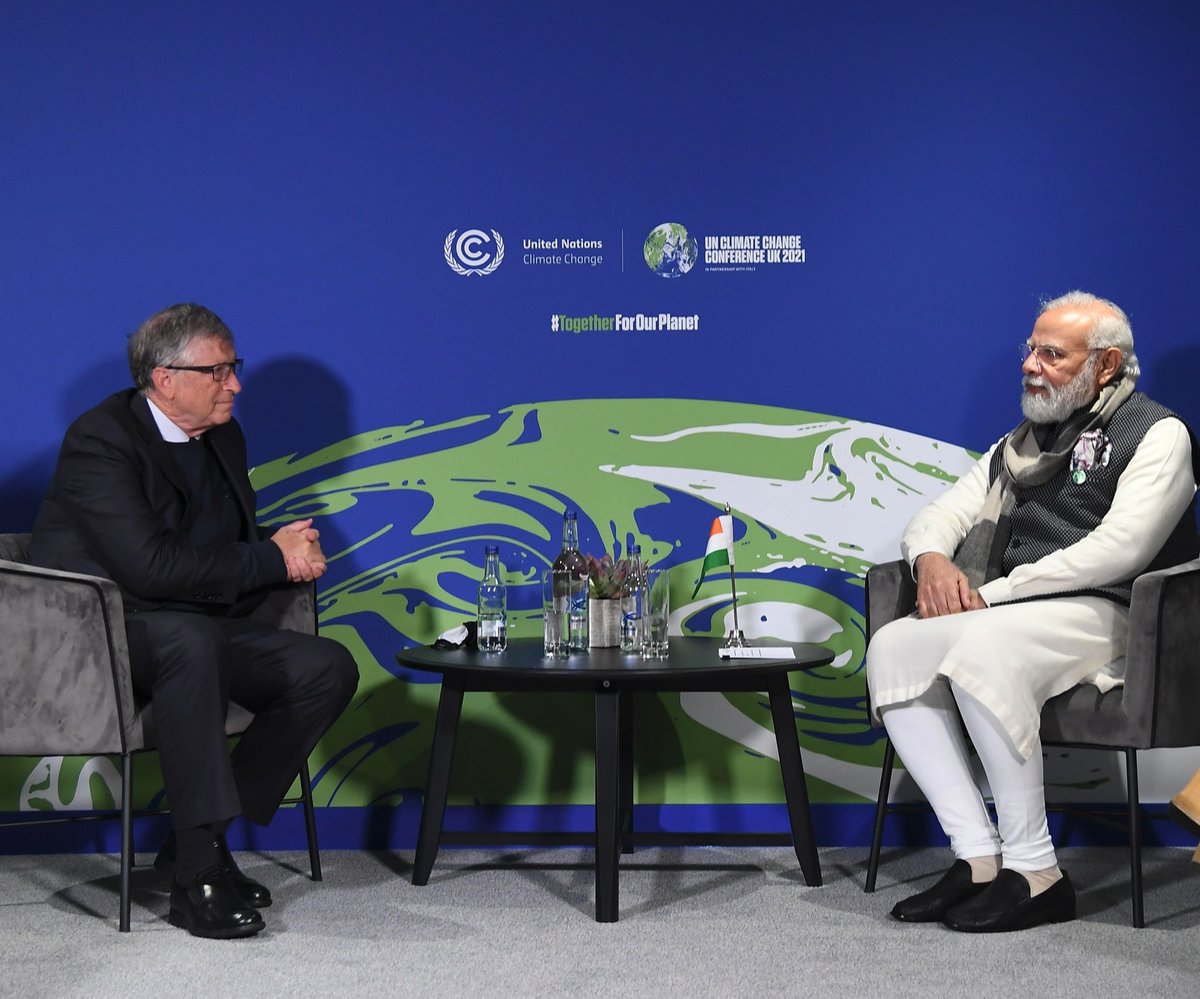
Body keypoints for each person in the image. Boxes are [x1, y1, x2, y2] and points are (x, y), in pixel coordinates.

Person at [866, 290, 1199, 932]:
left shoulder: (1160, 434)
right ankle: (977, 857)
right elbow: (942, 513)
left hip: (1111, 610)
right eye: (1031, 349)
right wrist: (930, 560)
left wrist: (992, 594)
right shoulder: (1018, 444)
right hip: (1014, 610)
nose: (1030, 364)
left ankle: (1037, 872)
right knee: (893, 647)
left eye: (1052, 354)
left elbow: (1121, 550)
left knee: (983, 647)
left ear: (1104, 365)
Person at [30, 303, 359, 939]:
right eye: (218, 371)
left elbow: (217, 545)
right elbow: (150, 568)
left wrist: (286, 549)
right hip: (103, 633)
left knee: (324, 668)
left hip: (194, 627)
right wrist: (270, 558)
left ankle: (194, 842)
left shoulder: (223, 436)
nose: (235, 384)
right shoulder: (100, 441)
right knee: (192, 640)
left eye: (234, 367)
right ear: (165, 379)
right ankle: (197, 879)